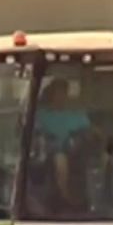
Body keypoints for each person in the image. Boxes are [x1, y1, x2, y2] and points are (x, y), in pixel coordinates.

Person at [32, 78, 94, 210]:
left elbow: (91, 133)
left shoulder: (77, 115)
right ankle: (65, 198)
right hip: (47, 152)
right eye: (57, 93)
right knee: (59, 158)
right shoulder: (40, 115)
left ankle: (91, 200)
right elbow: (29, 131)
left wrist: (80, 138)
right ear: (50, 94)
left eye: (63, 93)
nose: (60, 97)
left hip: (75, 152)